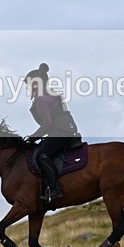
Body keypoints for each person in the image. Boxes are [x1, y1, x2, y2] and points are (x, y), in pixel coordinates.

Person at [25, 63, 80, 203]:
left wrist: (32, 137)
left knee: (42, 156)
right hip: (68, 129)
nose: (27, 88)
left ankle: (55, 190)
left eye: (28, 85)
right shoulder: (52, 94)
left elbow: (47, 124)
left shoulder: (40, 98)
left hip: (61, 132)